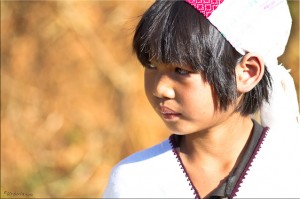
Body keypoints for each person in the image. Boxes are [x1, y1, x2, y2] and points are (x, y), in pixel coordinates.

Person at [103, 0, 300, 198]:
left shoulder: (289, 176)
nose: (160, 88)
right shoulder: (134, 182)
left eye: (181, 70)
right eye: (151, 66)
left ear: (247, 72)